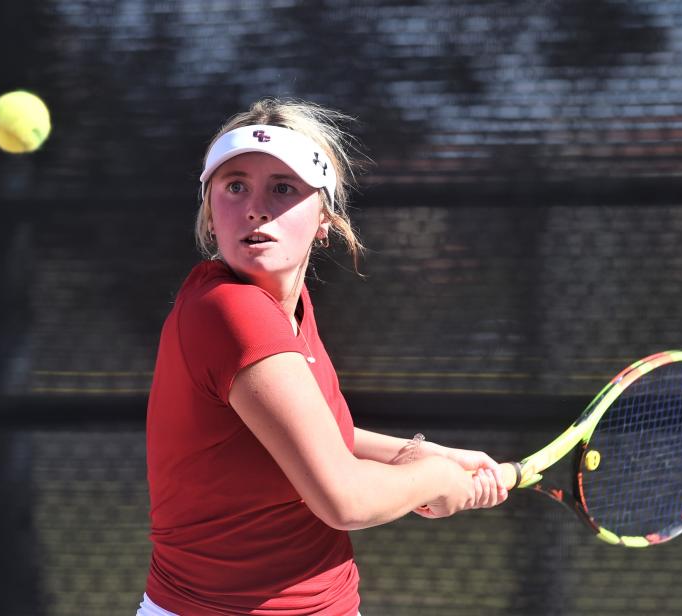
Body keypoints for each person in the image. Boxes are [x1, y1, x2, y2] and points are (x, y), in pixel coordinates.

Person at [140, 99, 509, 616]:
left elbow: (308, 431)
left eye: (283, 188)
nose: (255, 206)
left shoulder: (282, 310)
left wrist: (429, 454)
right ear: (209, 209)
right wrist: (435, 481)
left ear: (324, 219)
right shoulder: (232, 311)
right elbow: (345, 500)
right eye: (235, 185)